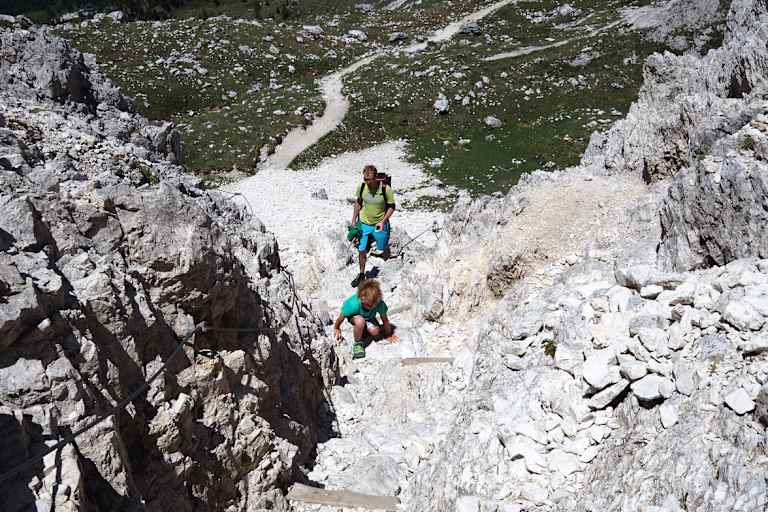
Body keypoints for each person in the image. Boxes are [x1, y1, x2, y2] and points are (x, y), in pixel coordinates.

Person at [349, 165, 395, 288]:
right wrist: (353, 220)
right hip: (364, 223)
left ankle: (388, 267)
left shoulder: (385, 189)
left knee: (382, 247)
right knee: (361, 249)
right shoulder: (362, 187)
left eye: (369, 180)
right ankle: (361, 274)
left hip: (380, 224)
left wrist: (383, 221)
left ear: (375, 178)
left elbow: (392, 206)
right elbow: (358, 202)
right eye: (365, 179)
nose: (366, 182)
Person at [333, 279, 393, 359]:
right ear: (362, 299)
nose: (372, 307)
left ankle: (365, 328)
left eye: (374, 305)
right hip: (355, 316)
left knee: (375, 331)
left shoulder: (378, 303)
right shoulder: (353, 304)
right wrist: (337, 327)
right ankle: (358, 343)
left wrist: (389, 334)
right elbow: (342, 316)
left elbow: (384, 319)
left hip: (369, 318)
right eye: (369, 305)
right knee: (360, 321)